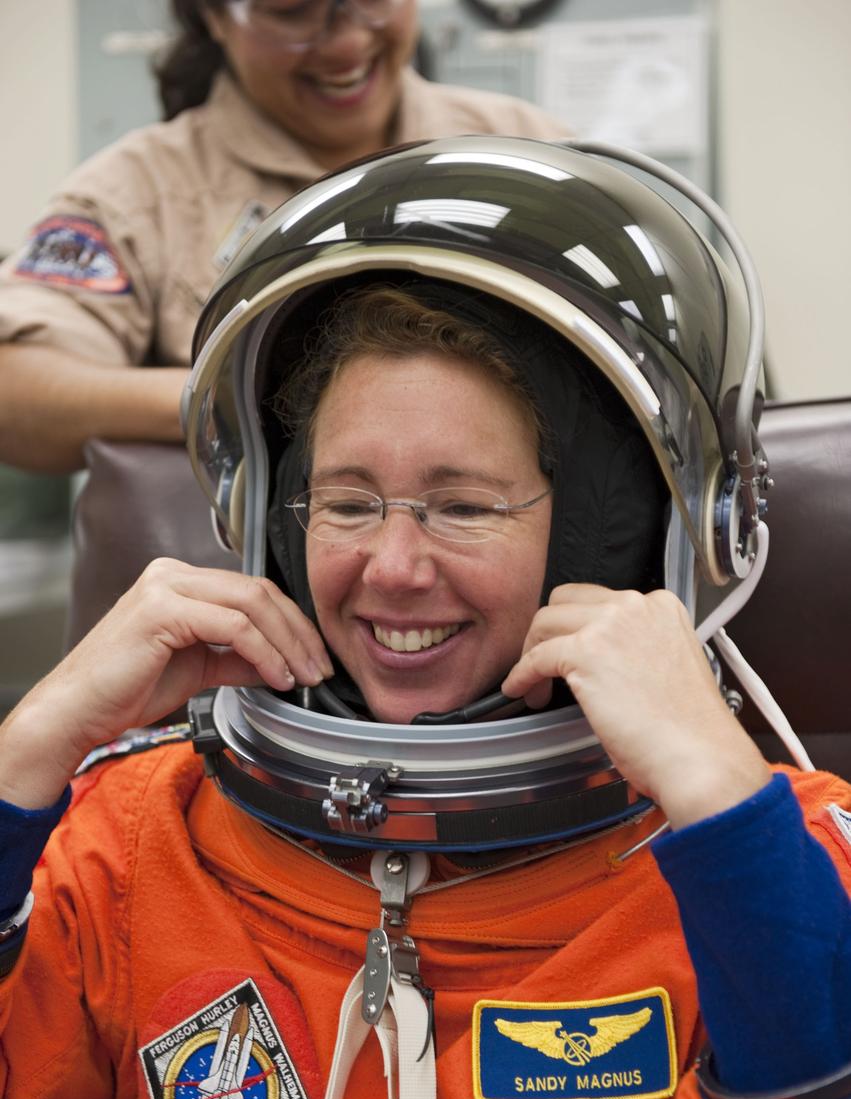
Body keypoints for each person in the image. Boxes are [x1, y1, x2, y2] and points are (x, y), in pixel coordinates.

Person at [1, 137, 850, 1099]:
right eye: (347, 501)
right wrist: (32, 744)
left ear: (623, 533)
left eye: (462, 505)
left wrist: (720, 805)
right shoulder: (143, 835)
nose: (392, 568)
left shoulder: (774, 862)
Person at [0, 0, 568, 646]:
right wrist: (234, 399)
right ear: (215, 16)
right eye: (293, 12)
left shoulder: (527, 156)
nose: (346, 40)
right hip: (237, 651)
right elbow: (14, 387)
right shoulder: (141, 190)